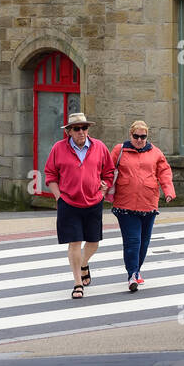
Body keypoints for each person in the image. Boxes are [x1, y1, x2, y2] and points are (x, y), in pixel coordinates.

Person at [44, 112, 115, 299]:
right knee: (74, 242)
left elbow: (108, 172)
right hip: (68, 202)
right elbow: (50, 175)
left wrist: (103, 191)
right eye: (77, 129)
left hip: (94, 201)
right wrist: (59, 197)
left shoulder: (99, 147)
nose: (81, 132)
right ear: (69, 131)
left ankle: (84, 263)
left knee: (93, 242)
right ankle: (77, 283)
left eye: (84, 128)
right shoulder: (58, 149)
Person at [107, 120, 175, 291]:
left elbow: (164, 172)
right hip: (125, 204)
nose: (139, 140)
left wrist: (168, 191)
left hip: (149, 203)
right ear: (130, 135)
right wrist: (102, 188)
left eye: (143, 137)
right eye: (136, 136)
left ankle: (137, 270)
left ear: (147, 136)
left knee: (144, 242)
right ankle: (132, 274)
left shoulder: (155, 153)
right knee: (133, 241)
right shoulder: (119, 150)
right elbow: (107, 169)